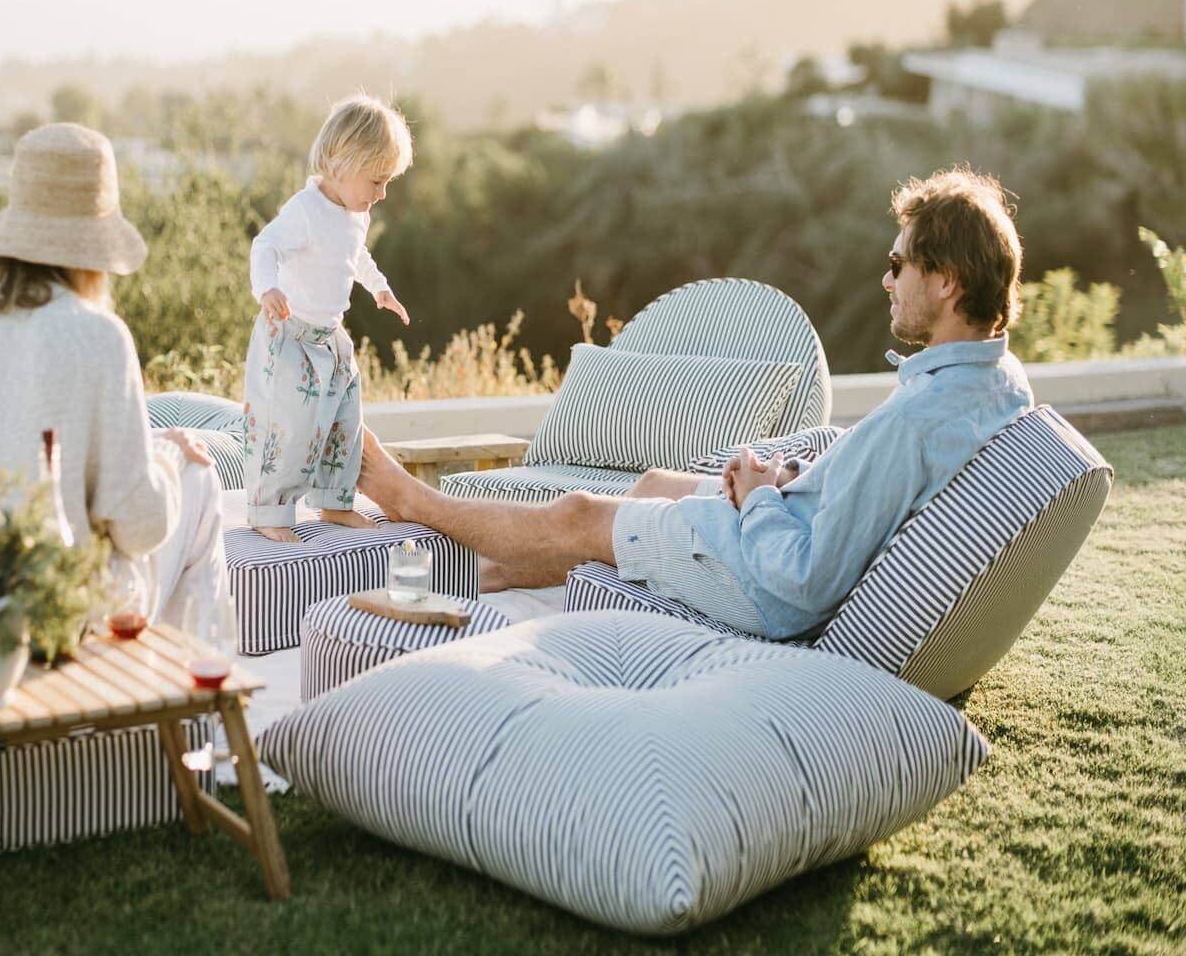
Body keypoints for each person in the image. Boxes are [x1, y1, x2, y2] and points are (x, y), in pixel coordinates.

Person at [358, 167, 1034, 640]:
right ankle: (511, 561)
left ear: (946, 281)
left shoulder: (916, 422)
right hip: (785, 521)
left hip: (758, 582)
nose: (885, 281)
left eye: (899, 266)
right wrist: (785, 484)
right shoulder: (996, 383)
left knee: (580, 512)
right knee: (653, 483)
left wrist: (765, 500)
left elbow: (803, 582)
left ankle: (411, 500)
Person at [0, 122, 229, 627]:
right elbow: (140, 527)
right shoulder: (97, 336)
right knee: (198, 477)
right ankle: (197, 685)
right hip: (57, 611)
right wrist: (167, 455)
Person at [242, 94, 413, 543]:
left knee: (344, 421)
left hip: (331, 338)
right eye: (377, 180)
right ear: (342, 161)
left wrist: (379, 288)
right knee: (289, 426)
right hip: (292, 336)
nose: (382, 193)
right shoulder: (305, 210)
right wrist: (268, 289)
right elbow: (265, 246)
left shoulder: (357, 214)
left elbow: (356, 255)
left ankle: (335, 502)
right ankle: (269, 509)